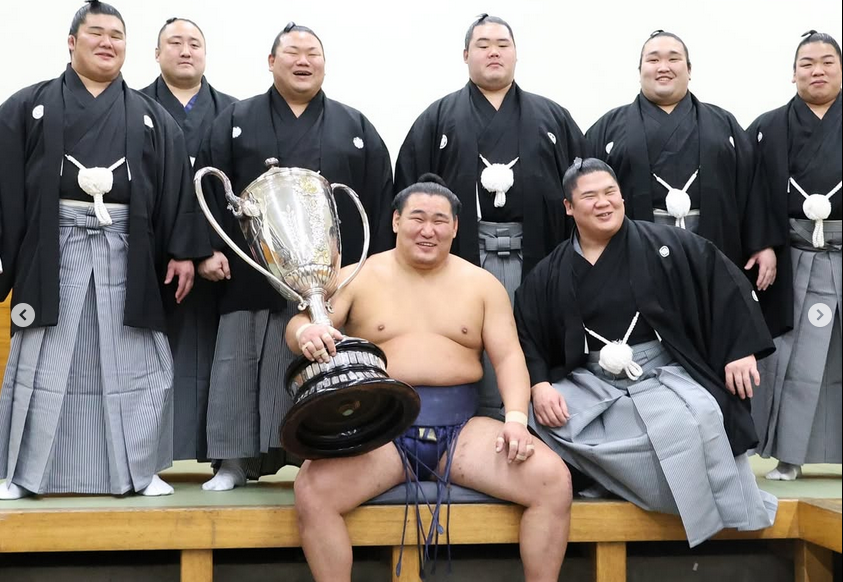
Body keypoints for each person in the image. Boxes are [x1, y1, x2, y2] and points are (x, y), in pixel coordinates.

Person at [285, 176, 571, 582]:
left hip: (462, 430)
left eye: (440, 220)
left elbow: (508, 357)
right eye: (417, 218)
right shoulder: (357, 276)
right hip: (380, 428)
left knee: (552, 480)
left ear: (455, 227)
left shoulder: (482, 284)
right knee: (313, 490)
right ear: (396, 221)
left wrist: (516, 420)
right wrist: (305, 332)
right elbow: (301, 322)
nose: (428, 229)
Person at [514, 158, 778, 547]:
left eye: (610, 193)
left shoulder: (668, 245)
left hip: (661, 370)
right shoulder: (550, 271)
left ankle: (657, 492)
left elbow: (723, 284)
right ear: (569, 207)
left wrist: (739, 350)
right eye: (590, 196)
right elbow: (528, 332)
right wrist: (538, 384)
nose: (604, 203)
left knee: (694, 418)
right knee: (544, 422)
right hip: (590, 380)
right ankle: (618, 480)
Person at [0, 1, 202, 499]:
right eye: (96, 33)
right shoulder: (28, 107)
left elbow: (174, 187)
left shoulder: (152, 117)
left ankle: (138, 471)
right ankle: (25, 473)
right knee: (42, 360)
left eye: (117, 35)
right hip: (54, 246)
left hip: (126, 248)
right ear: (72, 43)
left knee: (136, 362)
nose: (108, 42)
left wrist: (180, 251)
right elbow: (5, 185)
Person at [194, 23, 395, 491]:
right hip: (252, 268)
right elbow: (202, 189)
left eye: (313, 53)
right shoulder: (235, 119)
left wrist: (375, 269)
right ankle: (233, 461)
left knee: (329, 364)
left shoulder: (355, 125)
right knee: (241, 363)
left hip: (333, 275)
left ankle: (325, 455)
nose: (303, 61)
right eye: (292, 53)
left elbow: (380, 199)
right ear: (271, 62)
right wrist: (206, 250)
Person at [395, 14, 585, 418]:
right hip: (460, 257)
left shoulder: (553, 117)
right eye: (482, 45)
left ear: (516, 54)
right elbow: (409, 191)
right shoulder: (437, 118)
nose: (493, 52)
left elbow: (580, 192)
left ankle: (536, 424)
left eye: (502, 44)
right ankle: (467, 423)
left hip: (538, 253)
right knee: (461, 335)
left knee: (534, 333)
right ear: (466, 56)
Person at [585, 30, 777, 291]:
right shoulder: (608, 128)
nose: (663, 67)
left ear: (689, 69)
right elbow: (586, 191)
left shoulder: (724, 124)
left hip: (714, 243)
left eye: (673, 59)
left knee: (711, 321)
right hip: (633, 249)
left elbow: (751, 185)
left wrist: (761, 244)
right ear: (640, 69)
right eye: (653, 60)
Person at [141, 17, 237, 462]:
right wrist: (187, 249)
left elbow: (240, 193)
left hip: (223, 260)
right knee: (152, 357)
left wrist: (211, 250)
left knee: (224, 359)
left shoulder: (236, 112)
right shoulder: (134, 108)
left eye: (194, 43)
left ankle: (222, 457)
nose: (185, 50)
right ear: (156, 53)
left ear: (205, 53)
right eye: (174, 43)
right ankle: (147, 456)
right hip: (153, 257)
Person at [747, 31, 842, 481]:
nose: (817, 70)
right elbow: (748, 194)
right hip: (792, 254)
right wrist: (763, 243)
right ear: (793, 73)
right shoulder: (768, 127)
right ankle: (787, 453)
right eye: (807, 63)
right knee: (791, 357)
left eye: (826, 62)